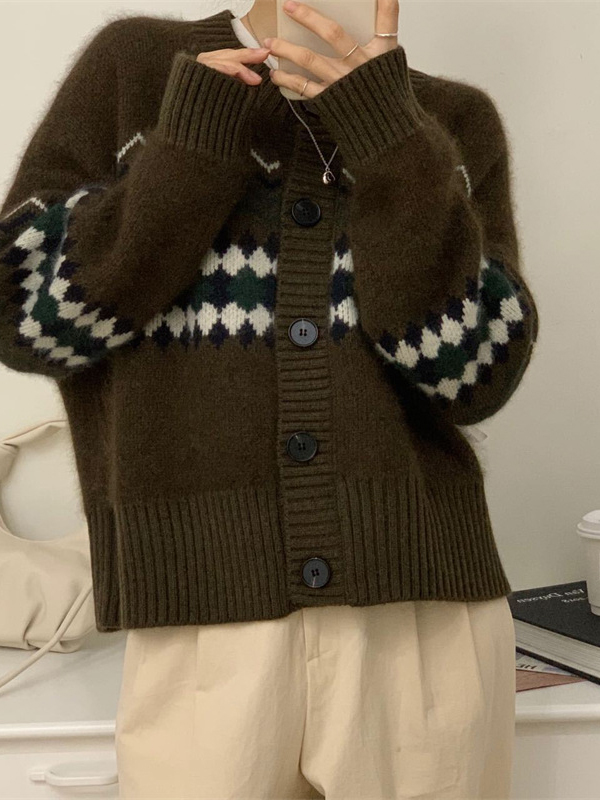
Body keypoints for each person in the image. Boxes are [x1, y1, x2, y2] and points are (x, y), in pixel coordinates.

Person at [0, 0, 539, 797]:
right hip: (201, 633)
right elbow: (25, 319)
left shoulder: (447, 122)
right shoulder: (137, 71)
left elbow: (474, 373)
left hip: (421, 629)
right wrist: (191, 144)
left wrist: (390, 142)